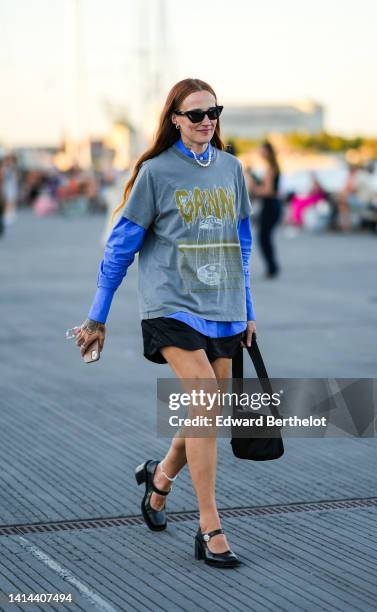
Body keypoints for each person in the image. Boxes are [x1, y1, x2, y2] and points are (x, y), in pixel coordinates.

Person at [73, 78, 256, 568]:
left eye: (212, 111)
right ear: (174, 118)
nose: (206, 121)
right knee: (206, 401)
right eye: (195, 114)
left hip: (223, 306)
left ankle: (159, 480)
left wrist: (249, 310)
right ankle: (209, 525)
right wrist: (98, 314)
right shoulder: (156, 173)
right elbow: (120, 247)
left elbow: (242, 243)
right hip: (169, 304)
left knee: (207, 413)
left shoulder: (232, 169)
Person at [246, 141, 282, 278]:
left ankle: (272, 267)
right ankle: (272, 267)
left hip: (270, 205)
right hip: (272, 205)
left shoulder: (271, 168)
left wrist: (253, 188)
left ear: (268, 151)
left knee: (263, 238)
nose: (260, 153)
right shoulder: (273, 167)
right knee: (265, 237)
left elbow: (268, 191)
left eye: (262, 150)